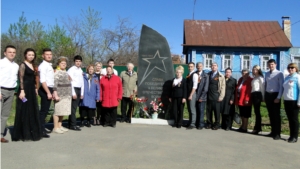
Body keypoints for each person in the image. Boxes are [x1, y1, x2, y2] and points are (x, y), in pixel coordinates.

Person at [12, 48, 43, 141]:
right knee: (24, 111)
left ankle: (31, 131)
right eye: (29, 55)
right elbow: (21, 78)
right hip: (24, 89)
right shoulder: (22, 65)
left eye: (32, 55)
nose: (31, 56)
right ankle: (23, 133)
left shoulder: (33, 65)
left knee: (32, 110)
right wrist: (21, 90)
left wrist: (35, 88)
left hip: (31, 90)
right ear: (25, 55)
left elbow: (34, 79)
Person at [0, 45, 19, 143]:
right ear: (5, 53)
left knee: (5, 114)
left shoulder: (16, 65)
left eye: (13, 52)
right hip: (1, 90)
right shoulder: (1, 63)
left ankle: (1, 135)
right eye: (9, 52)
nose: (12, 54)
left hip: (11, 91)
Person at [264, 59, 284, 140]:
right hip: (268, 95)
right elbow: (266, 84)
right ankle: (273, 131)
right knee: (270, 114)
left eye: (272, 64)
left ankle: (277, 133)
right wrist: (265, 96)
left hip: (275, 95)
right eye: (269, 64)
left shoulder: (279, 73)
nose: (270, 66)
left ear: (275, 64)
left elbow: (281, 86)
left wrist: (278, 97)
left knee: (276, 115)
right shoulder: (267, 73)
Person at [52, 57, 72, 134]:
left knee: (62, 111)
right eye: (62, 63)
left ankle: (60, 126)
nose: (63, 65)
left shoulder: (66, 72)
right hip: (60, 95)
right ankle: (55, 127)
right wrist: (55, 94)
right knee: (57, 111)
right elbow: (55, 84)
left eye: (65, 63)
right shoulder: (57, 72)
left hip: (66, 95)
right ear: (58, 64)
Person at [38, 48, 54, 138]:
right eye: (47, 54)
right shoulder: (43, 66)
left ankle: (41, 127)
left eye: (50, 54)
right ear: (43, 56)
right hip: (45, 89)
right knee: (43, 111)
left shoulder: (49, 65)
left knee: (46, 110)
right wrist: (48, 92)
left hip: (50, 88)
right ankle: (41, 129)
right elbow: (42, 81)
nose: (49, 56)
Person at [282, 63, 300, 143]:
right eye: (289, 68)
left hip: (294, 101)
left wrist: (299, 102)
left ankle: (295, 136)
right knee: (290, 119)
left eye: (292, 67)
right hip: (287, 101)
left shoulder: (297, 77)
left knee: (294, 120)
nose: (290, 69)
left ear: (296, 68)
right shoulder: (287, 77)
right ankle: (291, 135)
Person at [206, 62, 226, 130]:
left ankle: (217, 124)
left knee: (217, 111)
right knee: (208, 111)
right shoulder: (208, 74)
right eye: (212, 66)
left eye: (215, 66)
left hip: (216, 96)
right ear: (211, 67)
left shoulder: (220, 76)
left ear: (217, 67)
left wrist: (221, 97)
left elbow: (223, 87)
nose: (213, 67)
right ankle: (209, 123)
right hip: (209, 96)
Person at [67, 55, 84, 131]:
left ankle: (71, 124)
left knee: (74, 108)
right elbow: (70, 82)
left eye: (79, 61)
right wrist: (73, 93)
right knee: (73, 108)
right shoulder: (71, 70)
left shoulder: (81, 70)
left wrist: (82, 93)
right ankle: (72, 125)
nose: (78, 62)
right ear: (74, 62)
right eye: (76, 61)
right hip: (74, 89)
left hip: (79, 89)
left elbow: (82, 82)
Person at [251, 65, 265, 134]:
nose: (254, 71)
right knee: (256, 112)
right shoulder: (254, 78)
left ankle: (257, 128)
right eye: (253, 70)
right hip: (253, 94)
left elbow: (262, 87)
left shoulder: (260, 77)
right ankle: (257, 128)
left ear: (259, 70)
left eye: (256, 69)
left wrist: (263, 97)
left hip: (258, 94)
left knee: (257, 112)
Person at [195, 62, 209, 130]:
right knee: (196, 110)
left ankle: (201, 124)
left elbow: (205, 88)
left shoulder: (205, 75)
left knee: (201, 111)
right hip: (195, 96)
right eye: (198, 66)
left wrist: (202, 97)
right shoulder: (194, 74)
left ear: (202, 67)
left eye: (200, 66)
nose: (199, 67)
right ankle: (196, 123)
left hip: (201, 97)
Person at [185, 62, 199, 129]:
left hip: (192, 94)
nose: (190, 68)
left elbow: (195, 86)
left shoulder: (195, 75)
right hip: (188, 94)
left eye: (191, 66)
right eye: (189, 66)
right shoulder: (188, 74)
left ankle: (193, 124)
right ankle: (190, 121)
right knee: (189, 109)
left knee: (192, 109)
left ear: (194, 67)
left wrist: (191, 95)